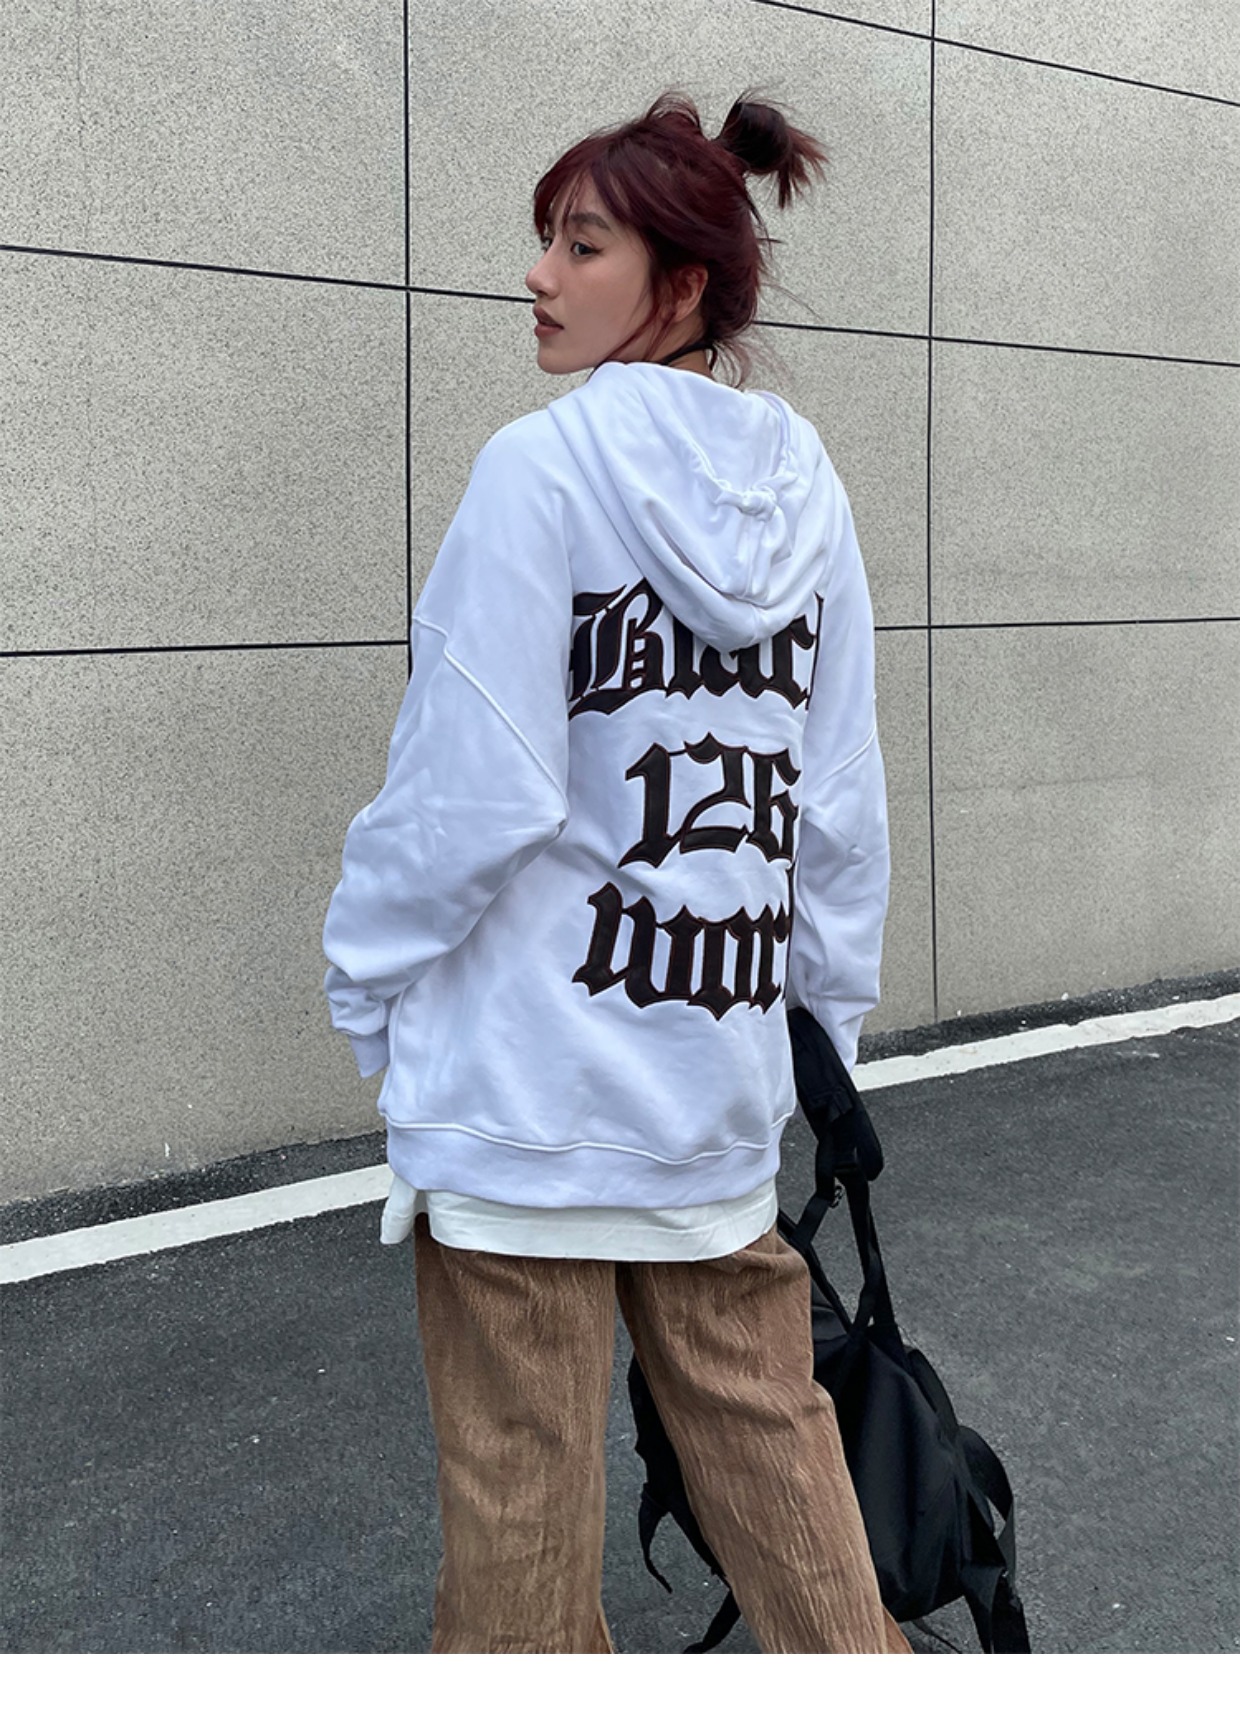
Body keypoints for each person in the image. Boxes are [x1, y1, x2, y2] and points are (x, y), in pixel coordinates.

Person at [322, 88, 910, 1655]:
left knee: (519, 1538)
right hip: (704, 1090)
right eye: (547, 241)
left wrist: (366, 983)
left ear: (682, 283)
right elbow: (836, 804)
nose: (538, 275)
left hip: (523, 1095)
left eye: (582, 246)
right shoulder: (808, 489)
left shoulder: (541, 473)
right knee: (787, 1488)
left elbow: (469, 785)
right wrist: (816, 1030)